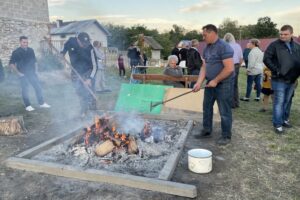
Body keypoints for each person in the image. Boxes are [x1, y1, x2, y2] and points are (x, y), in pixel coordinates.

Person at [193, 24, 234, 146]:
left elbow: (229, 69)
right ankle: (206, 130)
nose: (203, 37)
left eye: (204, 35)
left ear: (213, 33)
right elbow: (204, 67)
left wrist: (216, 80)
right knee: (206, 107)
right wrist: (199, 82)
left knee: (224, 110)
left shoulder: (224, 47)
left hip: (223, 84)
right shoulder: (207, 48)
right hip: (210, 84)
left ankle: (226, 135)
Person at [263, 25, 300, 134]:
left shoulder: (297, 46)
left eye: (285, 34)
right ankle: (277, 124)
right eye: (281, 34)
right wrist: (277, 71)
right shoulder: (274, 45)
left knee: (288, 101)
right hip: (279, 79)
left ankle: (284, 119)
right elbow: (266, 59)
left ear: (291, 34)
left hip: (292, 79)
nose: (282, 36)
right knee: (279, 102)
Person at [61, 32, 98, 117]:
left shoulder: (90, 48)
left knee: (90, 92)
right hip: (75, 71)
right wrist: (62, 53)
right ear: (77, 39)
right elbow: (64, 47)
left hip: (88, 71)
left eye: (86, 43)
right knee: (80, 92)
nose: (85, 45)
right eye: (82, 43)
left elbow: (95, 66)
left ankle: (93, 112)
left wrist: (90, 79)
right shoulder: (70, 41)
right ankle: (83, 110)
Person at [9, 36, 51, 112]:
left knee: (38, 87)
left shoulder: (31, 50)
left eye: (27, 42)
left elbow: (35, 61)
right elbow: (11, 64)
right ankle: (28, 105)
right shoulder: (16, 52)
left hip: (32, 73)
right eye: (24, 42)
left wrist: (36, 71)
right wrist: (18, 73)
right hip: (23, 74)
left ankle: (41, 103)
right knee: (25, 90)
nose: (25, 44)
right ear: (20, 42)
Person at [223, 33, 243, 108]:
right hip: (236, 65)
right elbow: (241, 58)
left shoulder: (224, 46)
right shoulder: (237, 46)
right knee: (235, 85)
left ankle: (229, 103)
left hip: (227, 66)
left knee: (227, 85)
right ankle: (236, 103)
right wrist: (238, 66)